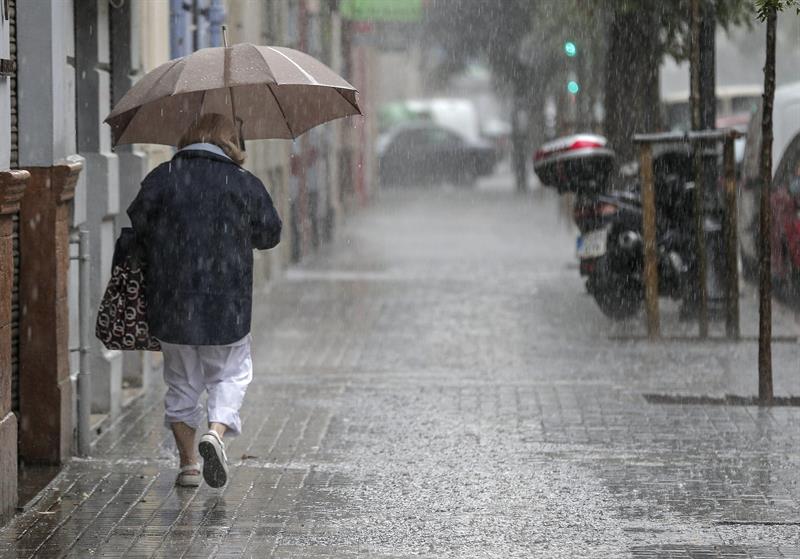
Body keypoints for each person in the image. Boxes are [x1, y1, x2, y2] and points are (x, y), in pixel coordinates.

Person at [127, 113, 282, 488]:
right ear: (230, 142)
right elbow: (270, 234)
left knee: (181, 383)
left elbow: (139, 226)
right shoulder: (243, 183)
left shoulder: (162, 178)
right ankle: (215, 431)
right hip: (226, 304)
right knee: (231, 374)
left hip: (172, 303)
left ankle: (188, 466)